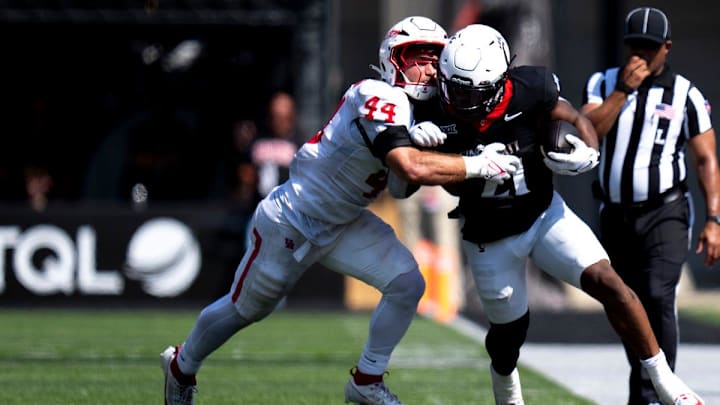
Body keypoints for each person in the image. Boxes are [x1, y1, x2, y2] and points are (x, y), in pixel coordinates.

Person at [161, 16, 524, 405]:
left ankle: (366, 381)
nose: (429, 67)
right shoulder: (376, 94)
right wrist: (473, 165)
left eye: (435, 58)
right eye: (417, 57)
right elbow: (407, 167)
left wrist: (426, 145)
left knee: (407, 284)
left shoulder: (423, 114)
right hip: (295, 217)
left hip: (345, 221)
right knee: (246, 309)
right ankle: (181, 365)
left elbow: (401, 190)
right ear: (393, 60)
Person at [404, 24, 704, 404]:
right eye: (455, 86)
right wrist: (428, 148)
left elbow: (574, 117)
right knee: (508, 336)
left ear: (500, 83)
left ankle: (666, 382)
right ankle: (507, 389)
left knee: (608, 281)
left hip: (543, 214)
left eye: (472, 91)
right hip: (488, 235)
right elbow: (441, 184)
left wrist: (589, 150)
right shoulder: (430, 109)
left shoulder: (531, 89)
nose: (460, 98)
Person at [581, 7, 720, 404]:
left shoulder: (686, 95)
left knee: (658, 295)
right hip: (615, 213)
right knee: (623, 302)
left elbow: (706, 159)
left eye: (649, 47)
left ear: (667, 48)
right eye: (634, 47)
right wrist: (622, 92)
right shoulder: (602, 83)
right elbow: (589, 132)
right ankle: (648, 380)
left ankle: (656, 393)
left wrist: (714, 218)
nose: (640, 55)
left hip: (666, 211)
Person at [251, 91, 300, 197]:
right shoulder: (258, 141)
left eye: (284, 118)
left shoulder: (300, 144)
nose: (279, 122)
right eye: (276, 116)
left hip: (286, 206)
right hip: (256, 206)